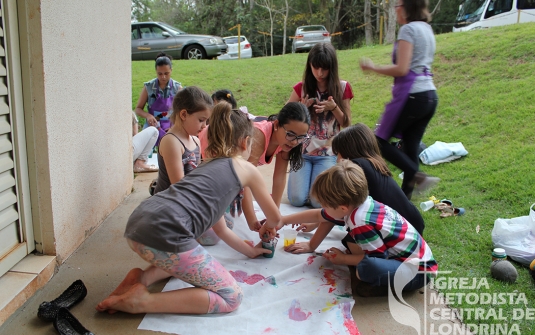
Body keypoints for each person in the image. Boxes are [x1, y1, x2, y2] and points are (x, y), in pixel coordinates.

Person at [96, 102, 282, 316]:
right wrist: (267, 228)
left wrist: (250, 251)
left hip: (139, 223)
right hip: (165, 231)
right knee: (232, 297)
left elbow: (221, 230)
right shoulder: (248, 168)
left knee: (182, 257)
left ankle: (140, 280)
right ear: (246, 142)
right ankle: (142, 302)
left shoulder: (206, 165)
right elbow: (275, 218)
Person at [280, 161, 437, 296]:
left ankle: (381, 288)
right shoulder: (360, 204)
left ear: (342, 208)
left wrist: (343, 259)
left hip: (418, 272)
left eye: (325, 205)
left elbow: (378, 258)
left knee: (365, 269)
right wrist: (283, 220)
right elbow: (318, 216)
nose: (323, 209)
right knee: (355, 249)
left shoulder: (361, 222)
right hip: (413, 261)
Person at [288, 123, 424, 242]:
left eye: (338, 154)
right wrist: (316, 223)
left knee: (352, 241)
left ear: (348, 152)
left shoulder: (354, 169)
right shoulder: (372, 163)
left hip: (401, 233)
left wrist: (311, 244)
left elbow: (333, 209)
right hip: (413, 224)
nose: (336, 160)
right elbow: (332, 213)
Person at [359, 0, 439, 200]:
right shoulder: (427, 29)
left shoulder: (408, 30)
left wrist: (373, 67)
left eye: (397, 5)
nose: (395, 10)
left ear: (406, 7)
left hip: (412, 95)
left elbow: (402, 69)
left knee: (377, 141)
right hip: (429, 95)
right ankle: (406, 202)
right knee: (411, 147)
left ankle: (418, 176)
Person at [199, 97, 311, 231]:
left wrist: (273, 214)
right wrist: (252, 221)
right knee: (216, 223)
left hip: (223, 161)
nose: (294, 142)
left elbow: (279, 177)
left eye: (301, 137)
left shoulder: (286, 143)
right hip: (206, 149)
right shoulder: (258, 136)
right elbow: (245, 179)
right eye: (291, 134)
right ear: (276, 125)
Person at [287, 42, 353, 208]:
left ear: (332, 67)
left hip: (328, 154)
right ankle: (307, 185)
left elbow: (346, 123)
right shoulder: (301, 88)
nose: (320, 73)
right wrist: (301, 109)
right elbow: (284, 120)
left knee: (318, 203)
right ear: (310, 65)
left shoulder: (342, 87)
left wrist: (334, 108)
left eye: (324, 68)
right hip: (302, 152)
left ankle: (314, 188)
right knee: (296, 199)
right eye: (315, 67)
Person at [152, 86, 212, 194]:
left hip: (186, 198)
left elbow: (195, 175)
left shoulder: (195, 140)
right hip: (168, 203)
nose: (205, 126)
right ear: (184, 114)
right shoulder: (171, 142)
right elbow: (179, 186)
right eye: (201, 120)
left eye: (207, 121)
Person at [134, 52, 183, 147]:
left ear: (171, 71)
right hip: (153, 123)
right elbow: (138, 109)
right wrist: (148, 116)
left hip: (172, 124)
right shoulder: (148, 87)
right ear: (156, 71)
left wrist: (174, 126)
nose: (163, 77)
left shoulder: (177, 88)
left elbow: (182, 111)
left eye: (166, 73)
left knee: (172, 146)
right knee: (144, 146)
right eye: (159, 74)